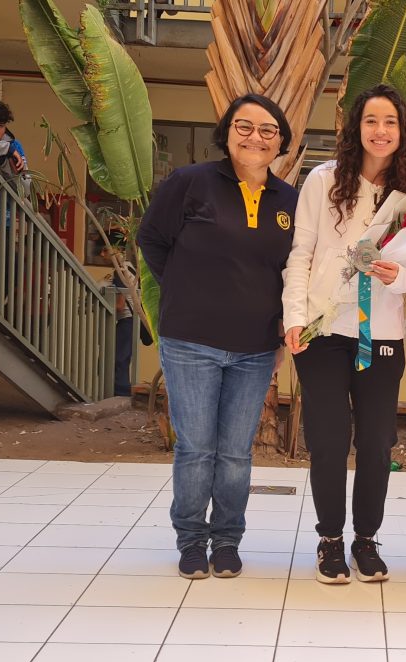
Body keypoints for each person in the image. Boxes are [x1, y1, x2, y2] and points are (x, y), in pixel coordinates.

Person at [137, 93, 296, 580]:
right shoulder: (190, 184)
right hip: (191, 342)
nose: (256, 137)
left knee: (234, 451)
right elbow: (152, 241)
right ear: (226, 133)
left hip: (255, 347)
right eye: (244, 127)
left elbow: (292, 270)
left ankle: (227, 540)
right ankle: (191, 540)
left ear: (282, 143)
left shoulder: (289, 201)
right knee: (195, 447)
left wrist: (280, 341)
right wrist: (188, 291)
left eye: (268, 130)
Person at [282, 84, 406, 584]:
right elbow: (301, 253)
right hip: (324, 330)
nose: (380, 131)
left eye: (390, 122)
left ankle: (366, 539)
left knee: (378, 443)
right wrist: (294, 316)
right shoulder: (322, 181)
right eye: (371, 121)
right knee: (328, 438)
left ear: (402, 130)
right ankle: (330, 540)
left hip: (380, 334)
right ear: (355, 128)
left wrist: (397, 276)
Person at [98, 230, 137, 397]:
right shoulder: (129, 267)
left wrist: (101, 307)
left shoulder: (120, 271)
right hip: (131, 321)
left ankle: (120, 396)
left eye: (104, 250)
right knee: (120, 358)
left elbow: (120, 306)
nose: (101, 255)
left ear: (114, 250)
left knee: (118, 359)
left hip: (127, 321)